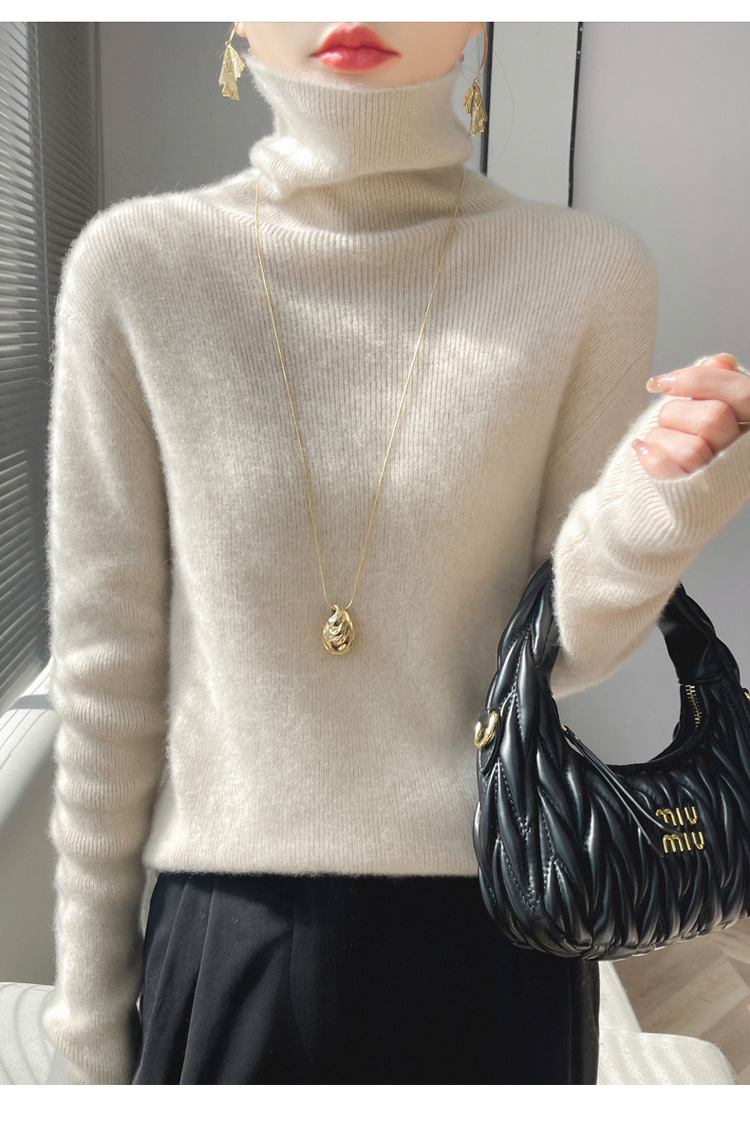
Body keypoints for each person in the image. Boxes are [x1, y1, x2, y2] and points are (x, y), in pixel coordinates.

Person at [42, 21, 750, 1085]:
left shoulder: (586, 272)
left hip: (497, 929)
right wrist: (91, 1015)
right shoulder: (137, 268)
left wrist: (668, 495)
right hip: (230, 930)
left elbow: (566, 649)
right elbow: (107, 672)